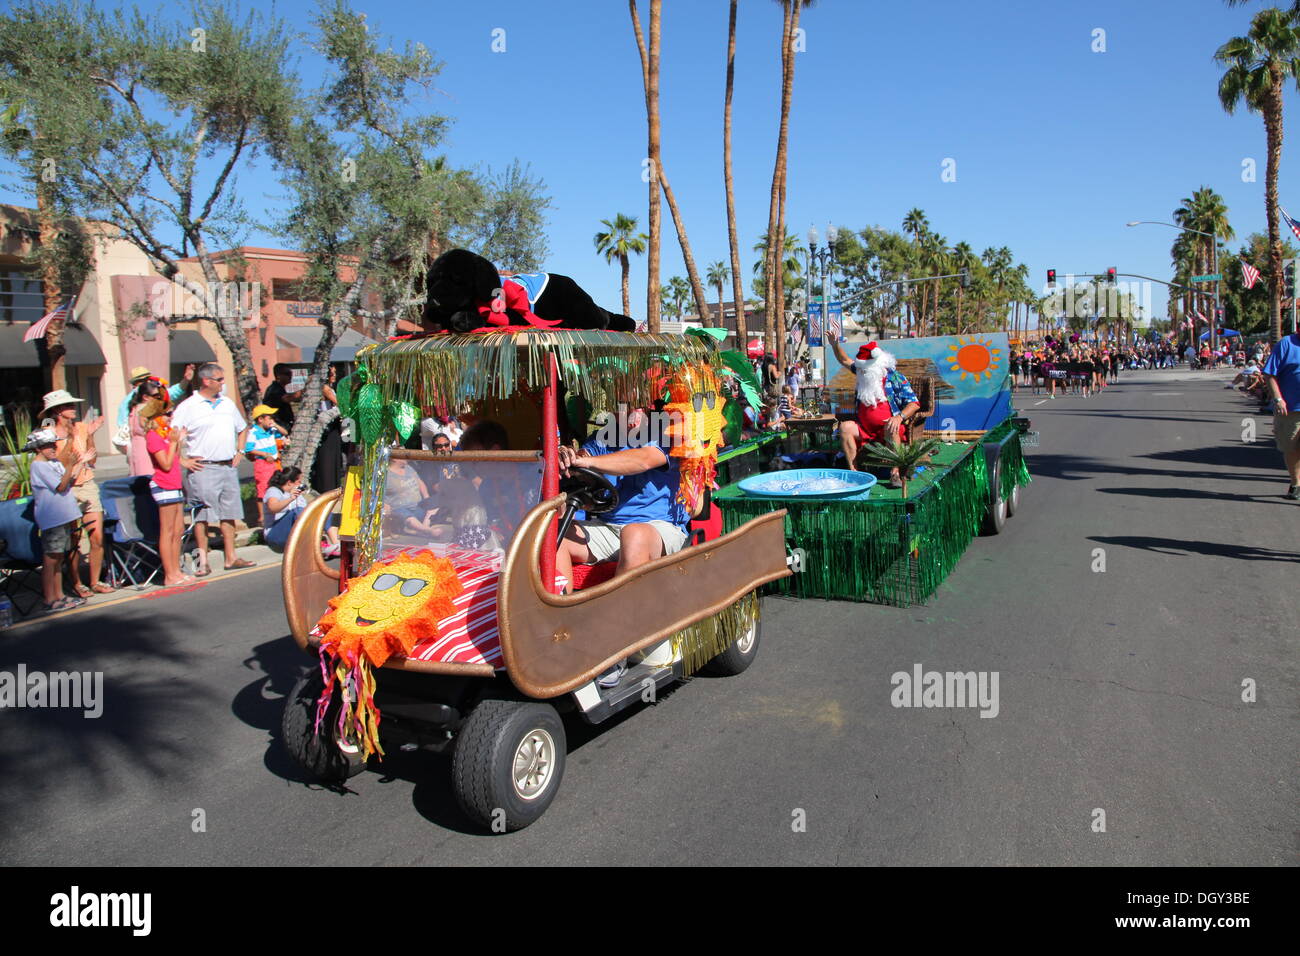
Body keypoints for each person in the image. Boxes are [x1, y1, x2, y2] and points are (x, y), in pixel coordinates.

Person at [555, 406, 691, 686]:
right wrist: (569, 457)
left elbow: (641, 460)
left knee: (634, 535)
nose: (634, 411)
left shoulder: (667, 432)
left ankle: (613, 647)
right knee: (553, 535)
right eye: (626, 404)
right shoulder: (604, 438)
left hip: (661, 527)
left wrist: (591, 464)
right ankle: (563, 631)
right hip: (610, 525)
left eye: (639, 404)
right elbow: (585, 458)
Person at [171, 363, 254, 575]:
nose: (223, 383)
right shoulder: (189, 406)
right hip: (203, 467)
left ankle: (231, 557)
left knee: (230, 513)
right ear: (206, 381)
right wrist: (183, 460)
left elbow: (242, 427)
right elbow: (171, 436)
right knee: (202, 515)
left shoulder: (227, 404)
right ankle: (202, 561)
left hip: (227, 465)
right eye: (219, 379)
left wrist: (240, 450)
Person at [44, 390, 113, 596]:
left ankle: (95, 580)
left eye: (73, 405)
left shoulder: (81, 427)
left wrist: (90, 435)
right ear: (57, 411)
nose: (73, 409)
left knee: (97, 536)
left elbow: (92, 460)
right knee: (73, 539)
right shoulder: (51, 434)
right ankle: (76, 583)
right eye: (68, 406)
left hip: (87, 483)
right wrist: (70, 440)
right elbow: (60, 464)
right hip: (69, 488)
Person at [828, 340, 921, 487]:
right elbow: (844, 359)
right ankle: (854, 472)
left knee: (892, 425)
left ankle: (895, 472)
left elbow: (914, 403)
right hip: (864, 429)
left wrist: (899, 417)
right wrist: (835, 345)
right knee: (845, 427)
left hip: (889, 429)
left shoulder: (894, 377)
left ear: (875, 367)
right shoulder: (860, 371)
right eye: (861, 370)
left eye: (865, 370)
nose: (862, 373)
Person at [27, 428, 92, 611]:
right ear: (38, 448)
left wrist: (78, 463)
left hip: (63, 516)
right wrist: (70, 465)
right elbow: (61, 486)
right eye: (48, 445)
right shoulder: (39, 466)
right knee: (51, 558)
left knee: (59, 557)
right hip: (52, 519)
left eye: (54, 444)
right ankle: (50, 598)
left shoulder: (52, 463)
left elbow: (68, 479)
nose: (53, 448)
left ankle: (60, 595)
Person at [140, 399, 195, 587]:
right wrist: (172, 443)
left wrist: (178, 441)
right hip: (163, 485)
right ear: (155, 417)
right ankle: (169, 574)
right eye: (165, 414)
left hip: (175, 483)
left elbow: (176, 458)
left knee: (179, 529)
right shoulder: (153, 436)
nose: (169, 417)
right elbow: (165, 464)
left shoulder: (164, 435)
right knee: (168, 530)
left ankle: (177, 570)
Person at [262, 466, 339, 553]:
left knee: (323, 512)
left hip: (293, 534)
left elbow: (308, 511)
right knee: (297, 511)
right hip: (275, 535)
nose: (300, 484)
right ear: (289, 483)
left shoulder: (298, 495)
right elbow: (273, 508)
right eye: (298, 482)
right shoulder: (274, 491)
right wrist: (291, 498)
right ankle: (317, 545)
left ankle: (336, 544)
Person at [1261, 330, 1300, 499]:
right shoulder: (1287, 344)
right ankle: (1296, 484)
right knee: (1291, 449)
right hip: (1290, 409)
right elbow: (1269, 374)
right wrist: (1278, 399)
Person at [115, 365, 192, 434]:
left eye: (149, 379)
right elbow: (123, 426)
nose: (148, 382)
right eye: (144, 380)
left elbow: (175, 391)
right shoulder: (128, 401)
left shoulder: (155, 392)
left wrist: (186, 380)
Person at [244, 404, 286, 525]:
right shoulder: (254, 432)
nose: (271, 420)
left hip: (274, 463)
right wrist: (264, 454)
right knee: (263, 488)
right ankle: (262, 516)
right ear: (260, 419)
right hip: (263, 463)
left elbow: (284, 432)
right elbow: (249, 449)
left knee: (277, 485)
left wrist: (276, 425)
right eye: (269, 417)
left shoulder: (271, 430)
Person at [127, 379, 169, 477]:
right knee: (149, 480)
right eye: (156, 396)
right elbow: (153, 429)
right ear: (145, 397)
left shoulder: (136, 408)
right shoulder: (145, 409)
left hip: (138, 449)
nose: (159, 398)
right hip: (147, 450)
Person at [262, 363, 301, 433]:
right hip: (278, 428)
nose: (290, 376)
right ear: (278, 376)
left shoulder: (279, 388)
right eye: (287, 374)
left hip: (283, 426)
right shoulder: (274, 389)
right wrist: (306, 390)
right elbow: (287, 398)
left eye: (291, 374)